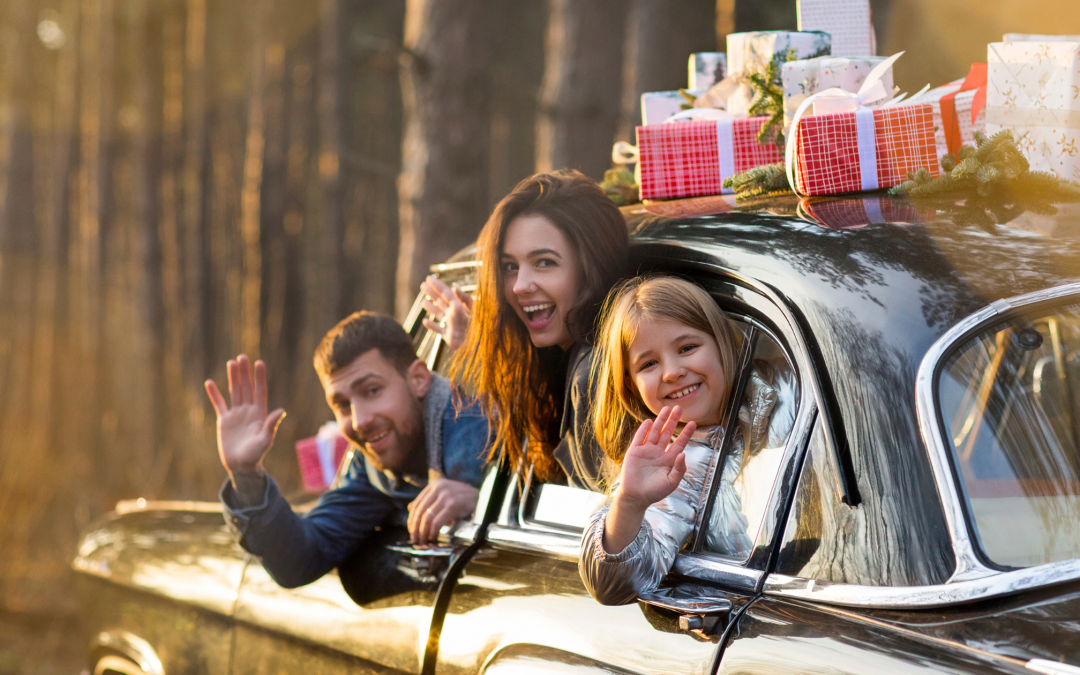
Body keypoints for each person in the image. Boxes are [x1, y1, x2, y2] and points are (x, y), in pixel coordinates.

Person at [206, 311, 491, 591]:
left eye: (372, 391)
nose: (359, 421)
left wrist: (479, 502)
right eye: (342, 405)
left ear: (418, 378)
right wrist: (246, 475)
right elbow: (302, 559)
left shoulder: (478, 415)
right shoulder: (373, 467)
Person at [422, 169, 629, 490]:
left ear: (592, 268)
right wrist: (488, 350)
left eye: (545, 262)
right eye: (509, 267)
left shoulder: (595, 374)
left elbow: (603, 527)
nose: (519, 286)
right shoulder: (573, 359)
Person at [578, 276, 776, 605]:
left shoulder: (791, 389)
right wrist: (630, 502)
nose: (671, 372)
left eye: (687, 348)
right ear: (632, 386)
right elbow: (611, 587)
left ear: (723, 342)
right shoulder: (674, 465)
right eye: (649, 364)